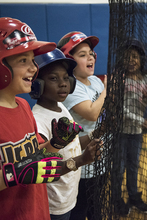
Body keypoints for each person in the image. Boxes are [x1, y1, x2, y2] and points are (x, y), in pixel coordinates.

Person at [0, 17, 83, 220]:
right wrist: (12, 174)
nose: (34, 68)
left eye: (32, 60)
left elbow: (32, 158)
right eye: (23, 61)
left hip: (35, 211)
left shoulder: (22, 106)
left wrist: (54, 144)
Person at [30, 48, 102, 220]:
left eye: (65, 78)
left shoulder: (60, 107)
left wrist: (97, 133)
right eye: (54, 78)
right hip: (54, 205)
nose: (63, 83)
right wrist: (82, 160)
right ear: (36, 84)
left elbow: (73, 144)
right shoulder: (38, 119)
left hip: (68, 195)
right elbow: (40, 161)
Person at [57, 31, 107, 220]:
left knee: (98, 208)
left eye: (91, 53)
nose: (90, 57)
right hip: (82, 164)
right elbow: (93, 112)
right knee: (80, 211)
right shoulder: (71, 87)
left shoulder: (94, 81)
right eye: (82, 54)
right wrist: (108, 89)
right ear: (69, 62)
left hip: (100, 158)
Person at [111, 38, 147, 216]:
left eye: (134, 57)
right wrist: (141, 121)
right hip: (120, 132)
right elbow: (120, 110)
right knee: (119, 167)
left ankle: (133, 196)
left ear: (141, 59)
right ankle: (116, 199)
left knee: (133, 166)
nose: (130, 60)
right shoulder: (120, 79)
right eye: (126, 57)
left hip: (136, 134)